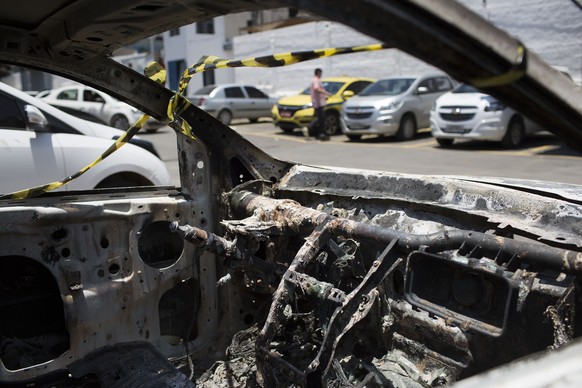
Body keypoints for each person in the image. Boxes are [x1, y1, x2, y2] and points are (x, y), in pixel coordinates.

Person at [309, 68, 332, 140]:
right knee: (321, 119)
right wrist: (326, 93)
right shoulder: (316, 80)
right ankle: (315, 130)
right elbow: (317, 89)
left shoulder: (315, 80)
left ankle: (320, 133)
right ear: (318, 73)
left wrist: (324, 97)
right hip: (318, 103)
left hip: (319, 102)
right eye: (320, 73)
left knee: (320, 119)